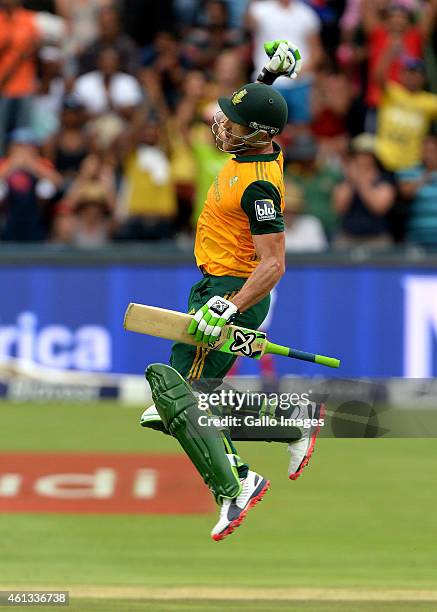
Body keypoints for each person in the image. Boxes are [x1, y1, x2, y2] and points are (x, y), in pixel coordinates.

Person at [140, 42, 324, 542]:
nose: (222, 126)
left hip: (231, 290)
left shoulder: (261, 186)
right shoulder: (256, 141)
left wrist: (229, 306)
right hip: (212, 286)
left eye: (233, 123)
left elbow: (275, 263)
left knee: (174, 396)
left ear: (258, 135)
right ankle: (289, 423)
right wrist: (270, 73)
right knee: (169, 407)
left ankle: (237, 483)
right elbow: (254, 104)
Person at [246, 0, 323, 126]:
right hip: (268, 82)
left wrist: (301, 70)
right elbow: (248, 24)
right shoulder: (260, 9)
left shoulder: (307, 14)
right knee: (267, 127)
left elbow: (317, 51)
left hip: (300, 83)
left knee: (301, 128)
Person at [375, 56, 437, 172]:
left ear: (423, 78)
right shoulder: (392, 92)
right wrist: (390, 52)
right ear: (401, 75)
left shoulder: (429, 102)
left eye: (416, 73)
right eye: (409, 72)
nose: (412, 77)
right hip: (382, 160)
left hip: (410, 166)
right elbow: (377, 77)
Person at [334, 133, 396, 247]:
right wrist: (351, 182)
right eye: (357, 154)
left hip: (377, 239)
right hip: (348, 237)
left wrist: (361, 181)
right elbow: (339, 208)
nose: (360, 158)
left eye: (365, 154)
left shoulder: (384, 179)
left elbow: (379, 207)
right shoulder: (345, 179)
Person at [398, 135, 437, 247]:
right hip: (417, 237)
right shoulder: (412, 172)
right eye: (425, 151)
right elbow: (406, 192)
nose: (428, 155)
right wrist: (425, 178)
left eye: (432, 151)